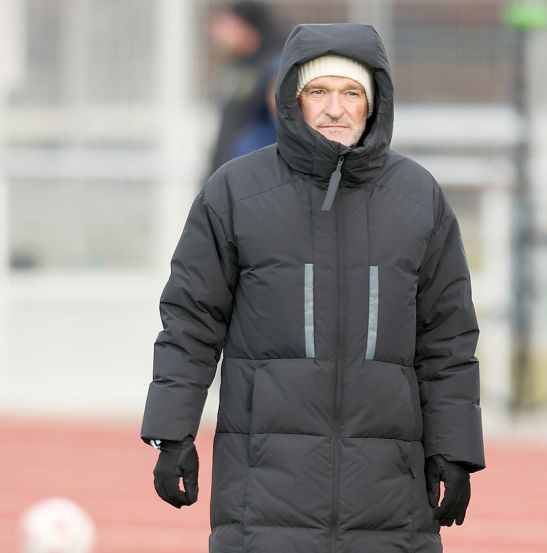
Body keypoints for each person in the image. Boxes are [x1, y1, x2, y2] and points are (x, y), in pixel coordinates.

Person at [141, 23, 485, 553]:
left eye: (352, 93)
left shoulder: (419, 198)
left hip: (389, 502)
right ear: (291, 100)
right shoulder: (234, 192)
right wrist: (172, 432)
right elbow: (190, 321)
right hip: (263, 496)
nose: (335, 108)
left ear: (373, 104)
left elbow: (448, 340)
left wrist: (455, 450)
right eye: (317, 92)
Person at [206, 1, 282, 176]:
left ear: (247, 27)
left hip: (253, 175)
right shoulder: (239, 64)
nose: (218, 33)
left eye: (227, 24)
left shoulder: (274, 67)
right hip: (227, 173)